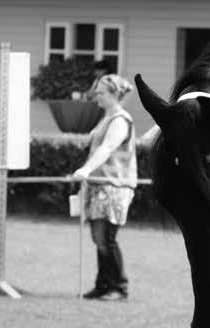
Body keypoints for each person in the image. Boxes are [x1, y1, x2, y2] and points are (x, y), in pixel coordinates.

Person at [72, 74, 137, 300]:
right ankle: (103, 285)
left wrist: (86, 169)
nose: (96, 96)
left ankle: (119, 287)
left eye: (100, 93)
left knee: (106, 238)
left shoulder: (120, 120)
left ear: (113, 95)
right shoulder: (106, 118)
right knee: (99, 239)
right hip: (100, 185)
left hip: (114, 186)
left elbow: (108, 148)